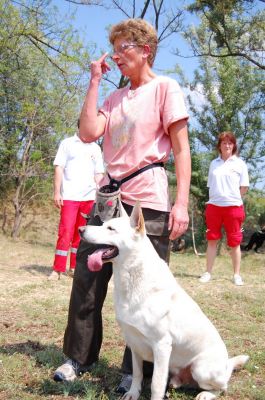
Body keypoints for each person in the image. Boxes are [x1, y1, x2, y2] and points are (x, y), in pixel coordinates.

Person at [53, 18, 191, 392]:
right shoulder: (114, 98)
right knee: (88, 278)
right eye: (113, 48)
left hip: (149, 201)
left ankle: (136, 371)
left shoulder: (166, 88)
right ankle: (77, 358)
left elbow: (181, 148)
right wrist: (95, 81)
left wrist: (181, 203)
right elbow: (87, 132)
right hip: (108, 198)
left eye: (123, 48)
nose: (115, 55)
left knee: (146, 290)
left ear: (145, 50)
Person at [48, 123, 104, 280]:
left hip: (89, 198)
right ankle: (58, 269)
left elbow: (99, 173)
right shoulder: (67, 143)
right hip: (70, 196)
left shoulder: (96, 148)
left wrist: (103, 193)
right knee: (65, 232)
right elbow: (59, 168)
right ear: (81, 126)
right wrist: (57, 192)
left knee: (81, 235)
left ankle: (74, 268)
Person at [199, 131, 249, 286]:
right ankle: (208, 273)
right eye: (224, 143)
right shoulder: (214, 163)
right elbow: (210, 186)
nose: (227, 145)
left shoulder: (240, 163)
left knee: (234, 243)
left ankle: (236, 275)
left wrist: (232, 198)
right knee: (212, 240)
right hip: (214, 207)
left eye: (230, 143)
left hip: (233, 207)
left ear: (233, 145)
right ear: (219, 146)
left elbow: (244, 187)